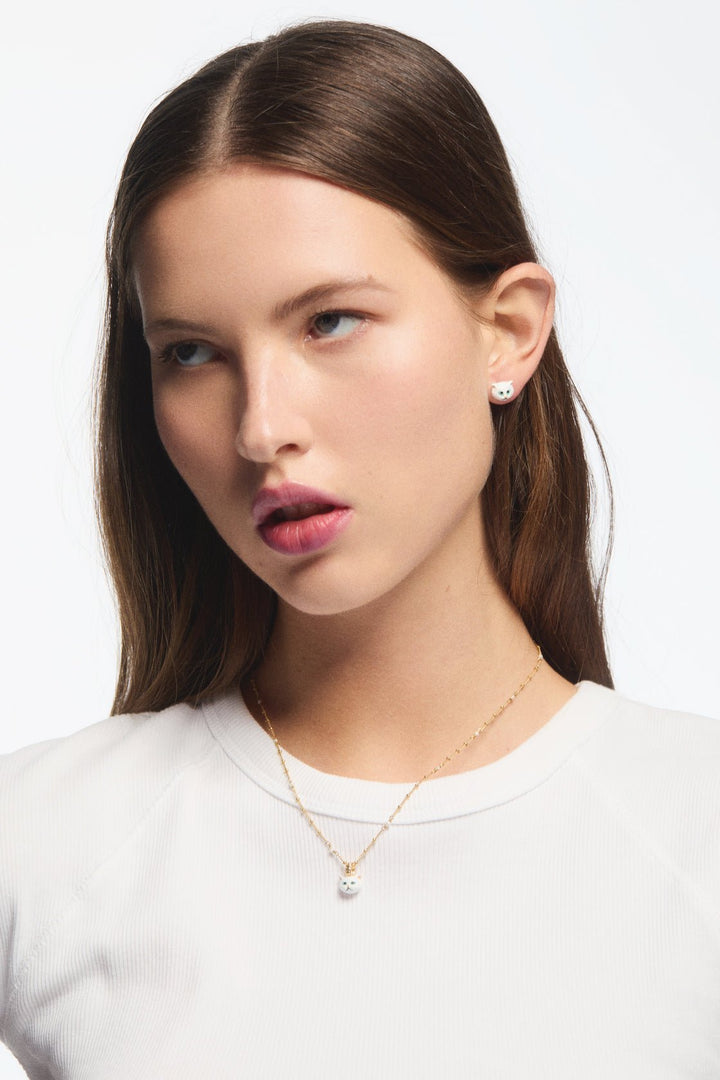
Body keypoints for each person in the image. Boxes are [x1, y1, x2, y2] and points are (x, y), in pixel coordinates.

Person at [1, 19, 718, 1078]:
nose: (260, 428)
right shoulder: (45, 844)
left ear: (510, 329)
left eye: (330, 321)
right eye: (191, 352)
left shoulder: (694, 833)